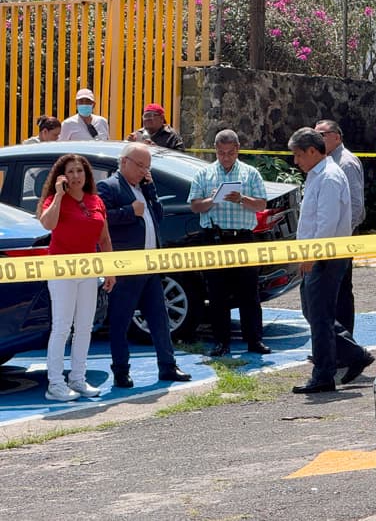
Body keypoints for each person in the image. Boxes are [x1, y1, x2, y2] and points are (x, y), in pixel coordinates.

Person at [97, 143, 192, 388]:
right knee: (121, 321)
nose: (143, 171)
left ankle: (168, 366)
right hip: (127, 266)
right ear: (124, 161)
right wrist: (130, 211)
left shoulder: (143, 188)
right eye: (140, 166)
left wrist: (151, 191)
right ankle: (121, 370)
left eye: (147, 167)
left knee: (160, 318)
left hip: (150, 264)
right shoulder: (108, 187)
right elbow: (102, 220)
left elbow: (157, 216)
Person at [288, 128, 374, 394]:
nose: (296, 161)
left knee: (320, 316)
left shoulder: (328, 177)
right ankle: (354, 354)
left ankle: (324, 374)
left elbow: (326, 224)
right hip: (320, 256)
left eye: (298, 155)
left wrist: (312, 257)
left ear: (313, 151)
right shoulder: (318, 175)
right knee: (314, 312)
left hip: (325, 256)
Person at [37, 154, 115, 401]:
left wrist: (109, 269)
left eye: (79, 171)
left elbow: (104, 239)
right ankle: (55, 383)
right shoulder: (54, 199)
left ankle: (78, 379)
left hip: (89, 270)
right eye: (70, 172)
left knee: (84, 327)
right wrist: (59, 195)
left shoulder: (95, 200)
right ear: (62, 176)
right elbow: (47, 224)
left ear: (86, 174)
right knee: (61, 327)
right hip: (62, 270)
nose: (75, 176)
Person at [188, 129, 271, 357]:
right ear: (216, 150)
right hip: (214, 238)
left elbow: (261, 204)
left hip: (242, 237)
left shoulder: (250, 173)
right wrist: (211, 200)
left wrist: (242, 199)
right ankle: (221, 342)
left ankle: (254, 340)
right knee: (217, 294)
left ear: (238, 150)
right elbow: (194, 206)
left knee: (249, 293)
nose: (226, 157)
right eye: (222, 153)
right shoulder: (204, 174)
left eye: (230, 153)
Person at [315, 119, 364, 338]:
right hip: (330, 239)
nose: (318, 138)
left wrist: (343, 236)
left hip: (340, 240)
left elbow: (355, 205)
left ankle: (345, 343)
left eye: (322, 134)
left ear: (337, 136)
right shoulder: (324, 162)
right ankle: (334, 342)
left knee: (341, 292)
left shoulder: (345, 163)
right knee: (328, 293)